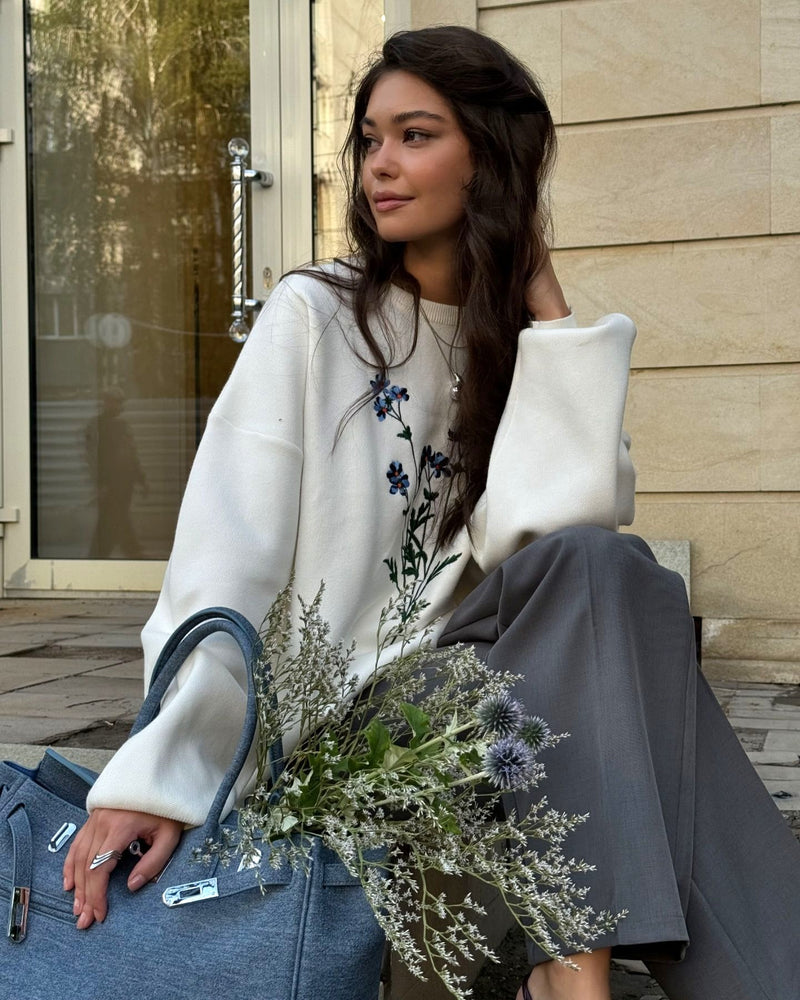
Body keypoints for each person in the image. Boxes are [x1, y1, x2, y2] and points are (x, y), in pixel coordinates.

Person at [64, 25, 800, 1000]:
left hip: (471, 682)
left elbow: (563, 528)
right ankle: (587, 971)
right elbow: (224, 558)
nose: (379, 165)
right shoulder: (316, 317)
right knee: (627, 629)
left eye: (414, 136)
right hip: (352, 716)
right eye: (370, 139)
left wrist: (544, 307)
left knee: (615, 577)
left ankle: (572, 968)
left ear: (487, 161)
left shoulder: (505, 344)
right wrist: (156, 772)